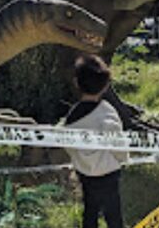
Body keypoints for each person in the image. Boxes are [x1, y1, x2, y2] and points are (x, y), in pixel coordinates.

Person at [62, 54, 127, 228]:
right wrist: (121, 159)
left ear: (77, 83)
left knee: (90, 210)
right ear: (105, 85)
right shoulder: (107, 112)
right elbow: (117, 141)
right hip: (109, 173)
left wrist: (79, 161)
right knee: (113, 214)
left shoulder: (72, 116)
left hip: (85, 174)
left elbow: (67, 143)